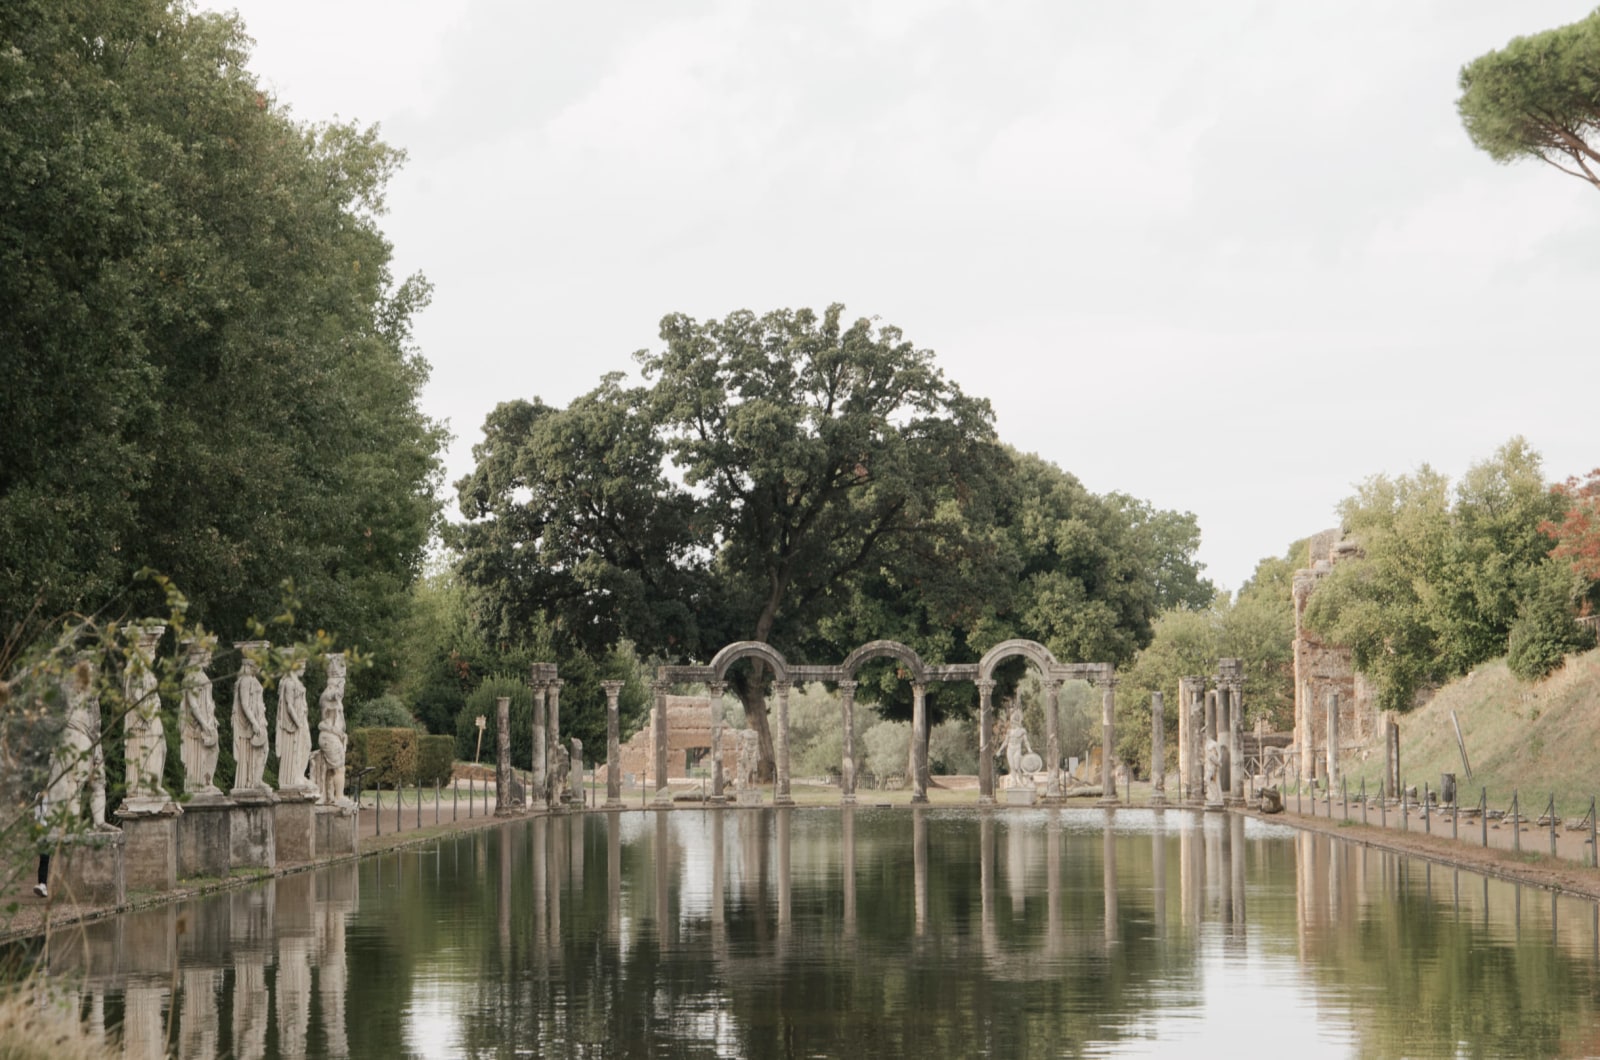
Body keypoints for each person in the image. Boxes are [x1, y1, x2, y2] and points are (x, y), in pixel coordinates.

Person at [33, 792, 50, 898]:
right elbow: (38, 816)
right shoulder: (40, 796)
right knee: (44, 858)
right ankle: (42, 885)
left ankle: (43, 884)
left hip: (46, 828)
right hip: (45, 828)